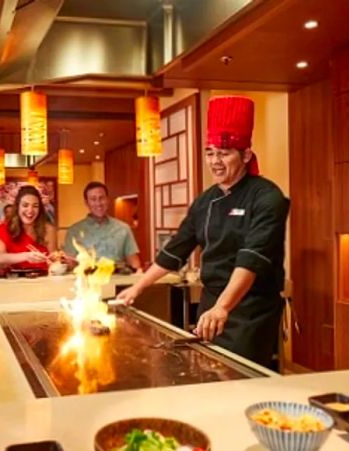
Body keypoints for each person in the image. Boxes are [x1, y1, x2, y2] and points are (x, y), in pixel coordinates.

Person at [117, 96, 290, 367]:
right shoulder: (205, 201)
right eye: (210, 153)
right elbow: (176, 248)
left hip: (249, 311)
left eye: (224, 153)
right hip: (211, 307)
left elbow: (251, 257)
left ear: (246, 155)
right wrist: (136, 288)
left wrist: (223, 306)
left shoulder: (267, 197)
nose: (215, 162)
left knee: (245, 379)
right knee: (210, 374)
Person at [63, 182, 141, 271]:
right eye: (93, 199)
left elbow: (134, 262)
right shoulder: (74, 231)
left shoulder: (123, 228)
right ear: (86, 203)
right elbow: (70, 265)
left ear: (108, 199)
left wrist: (138, 277)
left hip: (118, 280)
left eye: (101, 198)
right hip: (87, 281)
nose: (98, 203)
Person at [0, 185, 57, 271]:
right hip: (14, 280)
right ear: (18, 207)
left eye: (35, 206)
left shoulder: (48, 229)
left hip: (42, 279)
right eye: (25, 205)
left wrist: (58, 260)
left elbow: (53, 260)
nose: (30, 210)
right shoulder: (4, 228)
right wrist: (26, 256)